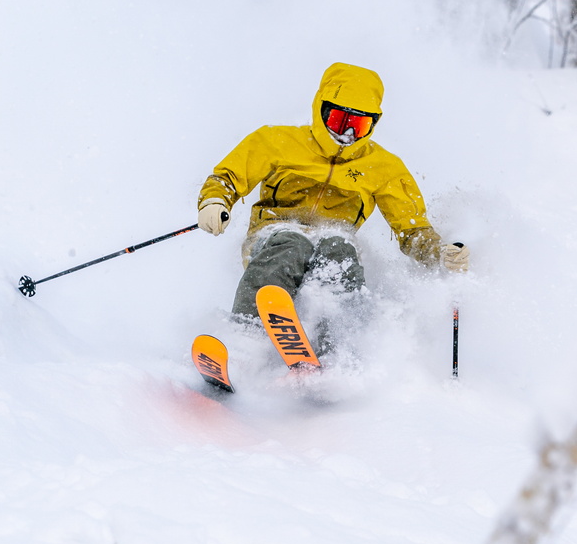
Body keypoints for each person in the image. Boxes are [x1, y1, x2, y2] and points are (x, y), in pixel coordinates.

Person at [197, 62, 468, 351]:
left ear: (373, 124)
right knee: (291, 244)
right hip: (275, 232)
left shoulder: (385, 168)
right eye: (339, 120)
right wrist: (215, 201)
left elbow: (411, 228)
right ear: (321, 109)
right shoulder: (278, 141)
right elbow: (228, 177)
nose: (347, 134)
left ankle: (337, 348)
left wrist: (439, 252)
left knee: (340, 252)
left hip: (334, 236)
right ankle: (246, 339)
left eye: (359, 125)